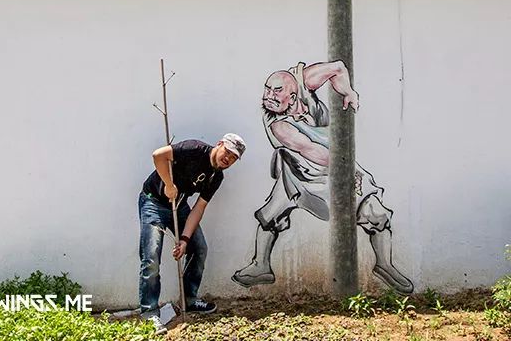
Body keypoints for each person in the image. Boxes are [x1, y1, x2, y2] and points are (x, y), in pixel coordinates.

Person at [232, 61, 413, 294]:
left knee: (376, 212)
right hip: (301, 173)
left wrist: (348, 92)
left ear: (293, 94)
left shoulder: (304, 82)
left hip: (336, 163)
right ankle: (261, 266)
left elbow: (338, 67)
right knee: (270, 215)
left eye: (277, 91)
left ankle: (384, 265)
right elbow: (311, 150)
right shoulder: (278, 126)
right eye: (267, 89)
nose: (269, 96)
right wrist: (349, 171)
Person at [139, 133, 245, 333]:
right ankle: (149, 314)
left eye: (233, 158)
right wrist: (169, 185)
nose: (228, 159)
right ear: (219, 144)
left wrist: (185, 240)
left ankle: (189, 299)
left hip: (179, 207)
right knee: (151, 256)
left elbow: (199, 208)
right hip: (153, 202)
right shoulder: (194, 148)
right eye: (228, 152)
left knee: (199, 248)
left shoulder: (216, 177)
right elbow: (158, 155)